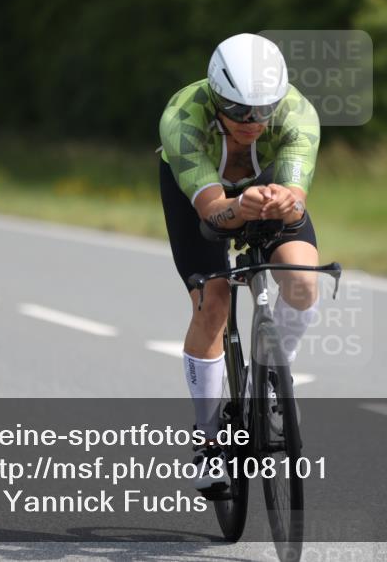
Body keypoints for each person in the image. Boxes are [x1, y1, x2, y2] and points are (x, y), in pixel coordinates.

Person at [158, 33, 321, 495]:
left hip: (265, 184)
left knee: (304, 282)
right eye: (239, 110)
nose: (252, 122)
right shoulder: (183, 117)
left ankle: (273, 380)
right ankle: (207, 439)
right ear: (215, 97)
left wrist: (285, 206)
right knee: (213, 301)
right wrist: (240, 207)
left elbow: (297, 201)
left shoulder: (297, 115)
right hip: (199, 193)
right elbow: (212, 214)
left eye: (263, 110)